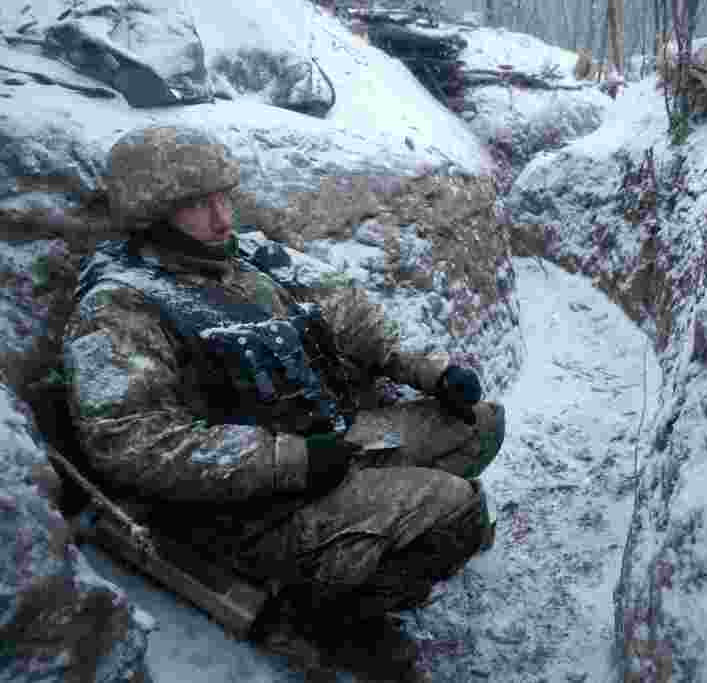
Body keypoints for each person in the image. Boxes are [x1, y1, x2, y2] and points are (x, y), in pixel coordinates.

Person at [62, 126, 504, 677]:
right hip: (240, 512)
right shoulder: (119, 307)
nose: (222, 219)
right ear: (153, 215)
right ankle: (328, 620)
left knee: (480, 425)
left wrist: (430, 372)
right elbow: (133, 445)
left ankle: (370, 552)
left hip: (323, 447)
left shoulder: (245, 256)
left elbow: (347, 314)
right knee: (455, 510)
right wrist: (289, 460)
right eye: (197, 206)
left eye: (223, 197)